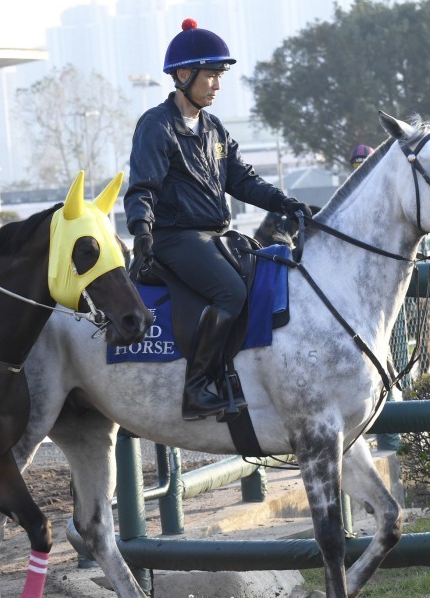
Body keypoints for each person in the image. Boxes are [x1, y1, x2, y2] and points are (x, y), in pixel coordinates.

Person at [124, 18, 312, 422]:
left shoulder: (214, 128)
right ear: (183, 75)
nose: (217, 85)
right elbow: (142, 189)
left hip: (216, 236)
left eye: (219, 76)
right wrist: (141, 233)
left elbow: (242, 180)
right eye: (210, 75)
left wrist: (284, 201)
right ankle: (197, 387)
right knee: (230, 292)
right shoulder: (156, 126)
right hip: (175, 238)